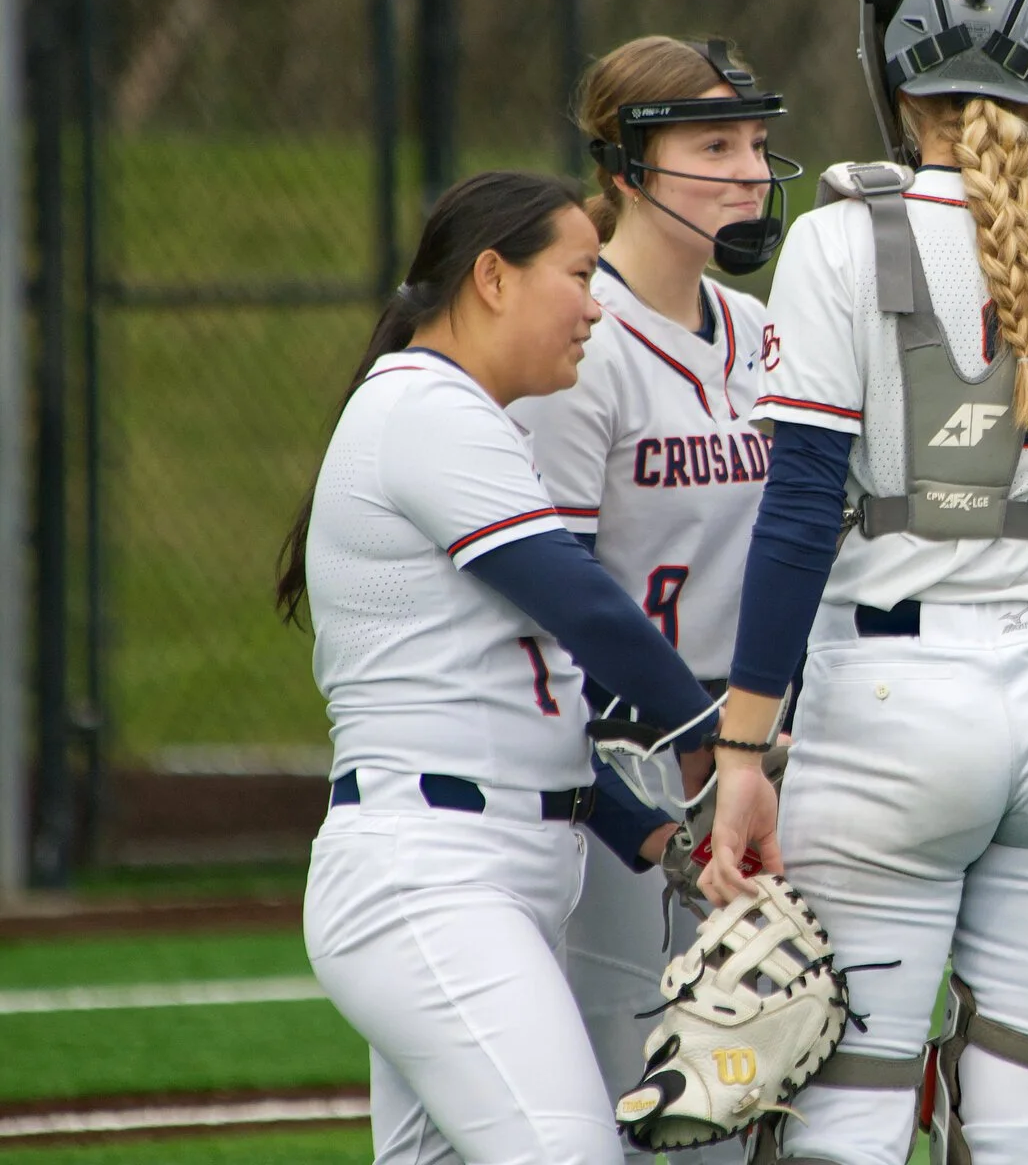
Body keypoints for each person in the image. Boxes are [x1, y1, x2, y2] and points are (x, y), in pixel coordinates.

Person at [701, 0, 1028, 1165]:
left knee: (844, 1121)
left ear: (889, 72)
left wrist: (746, 748)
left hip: (887, 693)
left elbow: (802, 507)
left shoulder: (831, 240)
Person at [280, 171, 727, 1165]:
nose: (595, 303)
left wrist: (653, 833)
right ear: (491, 276)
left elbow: (531, 695)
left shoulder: (466, 415)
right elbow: (581, 602)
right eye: (576, 272)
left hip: (476, 861)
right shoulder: (424, 408)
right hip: (432, 874)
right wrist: (717, 739)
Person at [509, 34, 798, 1161]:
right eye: (713, 143)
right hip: (628, 760)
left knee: (756, 1090)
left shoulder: (769, 333)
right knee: (633, 1100)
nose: (750, 170)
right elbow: (557, 594)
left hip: (760, 751)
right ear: (628, 166)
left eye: (759, 144)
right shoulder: (585, 338)